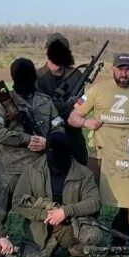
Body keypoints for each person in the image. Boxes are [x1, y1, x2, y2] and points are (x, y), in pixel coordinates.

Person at [70, 52, 129, 248]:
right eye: (120, 69)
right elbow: (73, 117)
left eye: (128, 69)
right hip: (98, 156)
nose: (124, 73)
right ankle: (86, 240)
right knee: (90, 201)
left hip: (128, 159)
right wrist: (86, 122)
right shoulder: (96, 90)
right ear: (112, 69)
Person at [11, 129, 107, 257]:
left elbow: (94, 202)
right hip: (39, 231)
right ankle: (36, 255)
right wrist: (46, 214)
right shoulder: (32, 170)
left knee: (92, 235)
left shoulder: (83, 173)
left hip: (69, 227)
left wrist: (65, 211)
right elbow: (17, 201)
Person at [0, 57, 55, 216]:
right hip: (10, 170)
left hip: (39, 169)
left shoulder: (45, 101)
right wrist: (26, 139)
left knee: (39, 216)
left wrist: (48, 142)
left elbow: (59, 126)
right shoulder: (4, 102)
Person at [36, 33, 89, 164]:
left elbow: (84, 99)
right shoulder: (37, 77)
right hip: (46, 137)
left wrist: (77, 108)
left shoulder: (76, 75)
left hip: (73, 136)